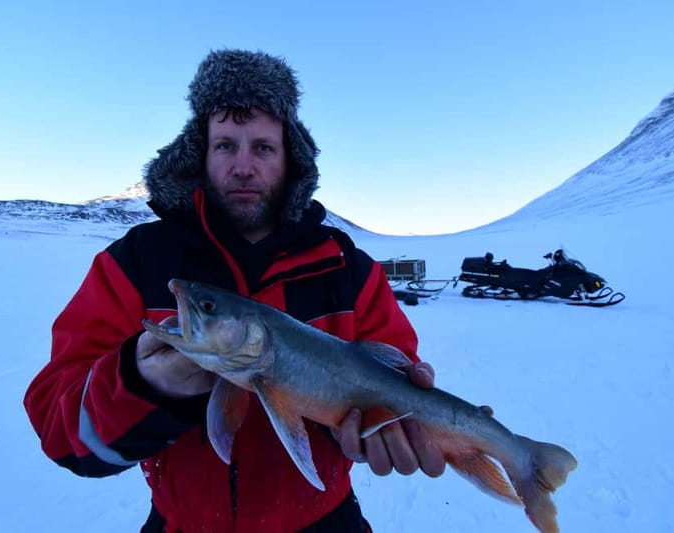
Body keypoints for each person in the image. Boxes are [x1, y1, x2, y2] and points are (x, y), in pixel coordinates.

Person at [24, 49, 445, 533]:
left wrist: (393, 432)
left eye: (263, 148)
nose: (243, 166)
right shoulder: (137, 262)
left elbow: (399, 384)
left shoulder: (348, 269)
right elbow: (59, 431)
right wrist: (142, 384)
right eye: (226, 145)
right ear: (199, 154)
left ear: (291, 160)